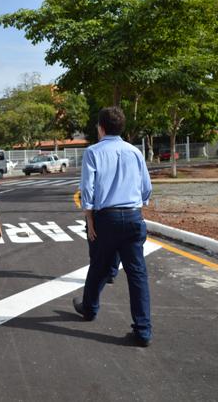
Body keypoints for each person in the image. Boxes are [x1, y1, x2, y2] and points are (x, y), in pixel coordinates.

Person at [73, 106, 153, 347]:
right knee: (137, 274)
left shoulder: (93, 152)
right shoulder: (135, 152)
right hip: (132, 217)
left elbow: (88, 189)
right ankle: (143, 331)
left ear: (101, 127)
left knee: (98, 265)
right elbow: (146, 188)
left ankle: (89, 309)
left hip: (105, 218)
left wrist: (89, 219)